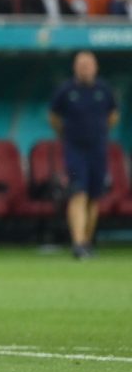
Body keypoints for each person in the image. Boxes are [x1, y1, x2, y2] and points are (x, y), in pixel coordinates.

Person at [49, 51, 119, 259]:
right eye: (81, 65)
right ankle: (77, 243)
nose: (85, 68)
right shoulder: (66, 90)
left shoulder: (104, 90)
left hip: (98, 148)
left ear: (95, 67)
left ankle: (87, 241)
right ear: (75, 67)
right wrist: (65, 133)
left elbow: (113, 115)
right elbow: (54, 116)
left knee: (94, 195)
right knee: (77, 192)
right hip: (74, 149)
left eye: (89, 65)